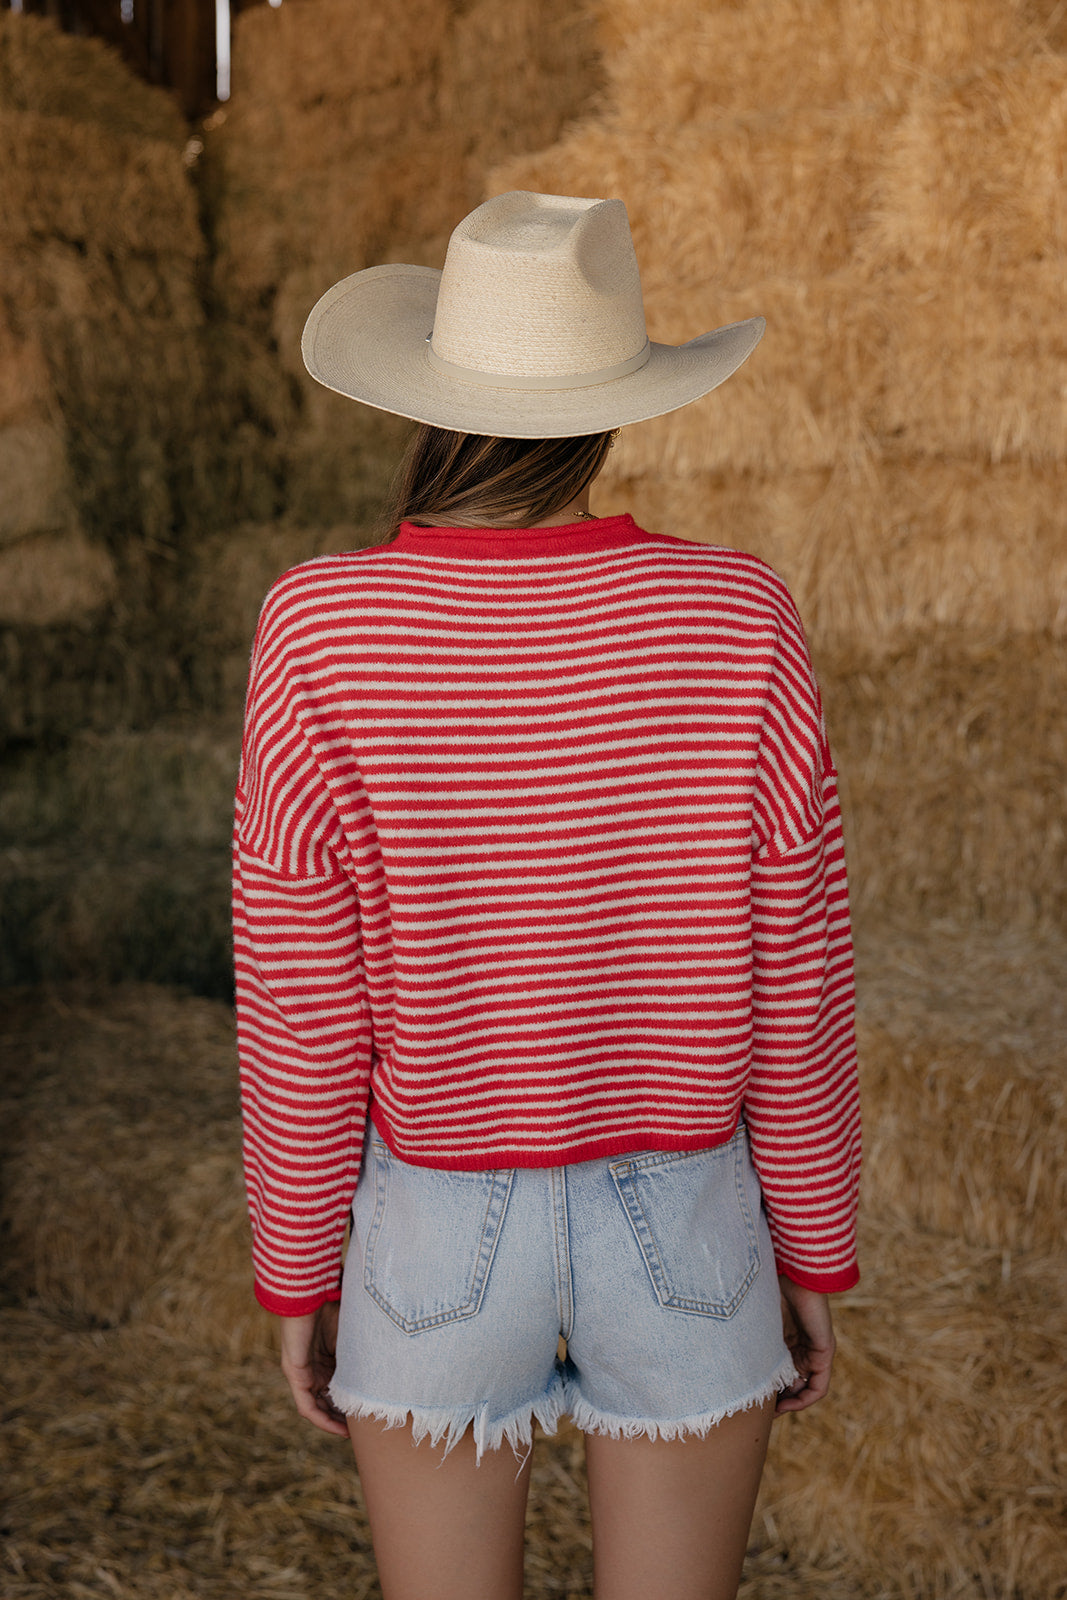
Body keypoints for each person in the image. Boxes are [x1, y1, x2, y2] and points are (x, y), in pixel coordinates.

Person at [233, 190, 861, 1600]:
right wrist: (815, 1247)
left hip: (433, 1237)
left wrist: (294, 1272)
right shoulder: (742, 612)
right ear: (615, 405)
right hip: (692, 1224)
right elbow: (801, 972)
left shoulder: (317, 624)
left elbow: (299, 1004)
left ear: (431, 394)